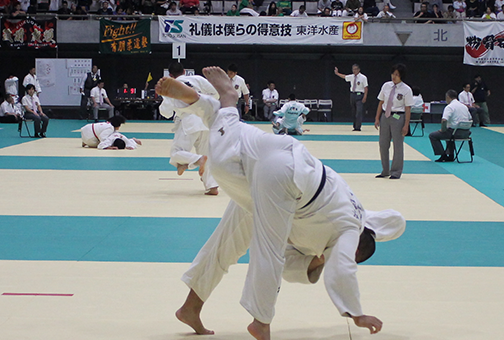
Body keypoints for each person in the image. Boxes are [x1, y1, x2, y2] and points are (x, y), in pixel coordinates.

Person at [155, 66, 405, 340]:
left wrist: (317, 261)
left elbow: (293, 264)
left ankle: (191, 307)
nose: (341, 258)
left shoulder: (349, 218)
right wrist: (356, 313)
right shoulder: (349, 230)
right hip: (286, 180)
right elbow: (342, 269)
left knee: (227, 239)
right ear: (356, 247)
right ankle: (261, 321)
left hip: (270, 154)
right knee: (268, 245)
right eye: (353, 256)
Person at [159, 62, 220, 196]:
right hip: (205, 120)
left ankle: (194, 160)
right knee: (206, 154)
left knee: (176, 152)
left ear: (170, 75)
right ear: (185, 71)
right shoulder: (197, 79)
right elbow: (216, 94)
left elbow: (166, 112)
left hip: (189, 121)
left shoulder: (170, 87)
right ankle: (212, 186)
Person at [374, 64, 413, 179]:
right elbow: (381, 102)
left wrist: (406, 125)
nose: (394, 77)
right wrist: (377, 118)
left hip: (398, 117)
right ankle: (385, 170)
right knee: (383, 144)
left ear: (401, 76)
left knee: (398, 145)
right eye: (393, 74)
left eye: (397, 75)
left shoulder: (406, 90)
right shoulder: (386, 86)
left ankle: (396, 171)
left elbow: (408, 108)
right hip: (385, 116)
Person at [429, 90, 472, 162]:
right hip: (466, 133)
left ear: (448, 97)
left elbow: (444, 120)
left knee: (433, 135)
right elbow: (470, 118)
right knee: (449, 130)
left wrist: (443, 129)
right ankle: (451, 155)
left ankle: (443, 155)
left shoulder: (450, 107)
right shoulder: (464, 106)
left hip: (454, 133)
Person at [334, 64, 368, 132]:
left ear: (359, 69)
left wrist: (365, 96)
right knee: (354, 111)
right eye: (353, 69)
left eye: (355, 69)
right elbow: (344, 76)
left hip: (360, 94)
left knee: (359, 111)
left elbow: (366, 87)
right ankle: (355, 126)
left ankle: (358, 127)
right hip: (352, 95)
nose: (354, 71)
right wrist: (337, 73)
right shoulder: (352, 77)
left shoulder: (363, 77)